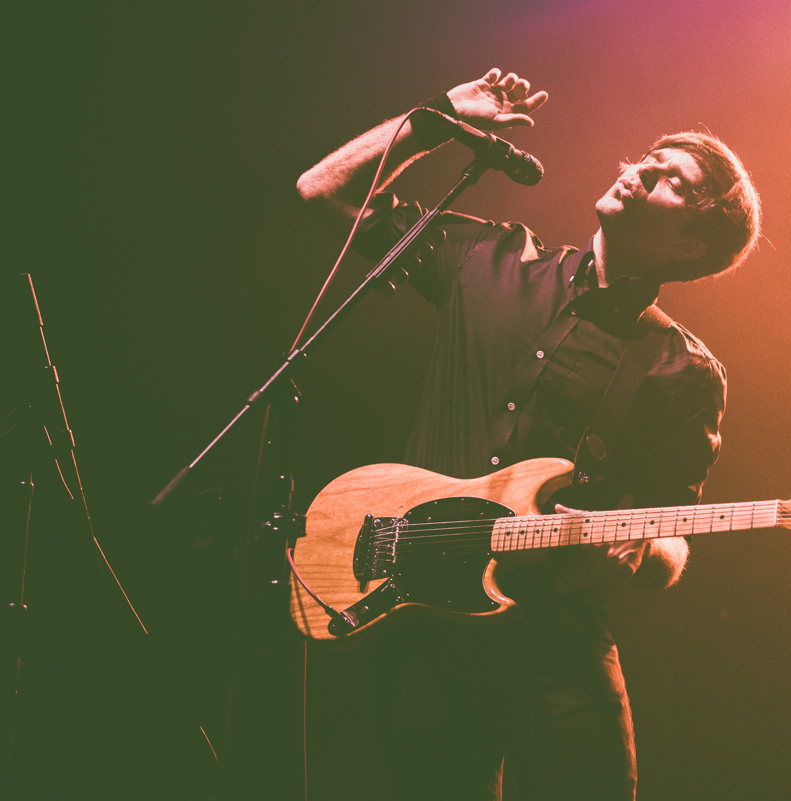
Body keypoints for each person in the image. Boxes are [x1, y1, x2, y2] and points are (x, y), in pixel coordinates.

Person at [297, 68, 760, 801]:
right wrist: (440, 118)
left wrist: (642, 551)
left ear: (689, 242)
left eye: (668, 178)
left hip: (558, 638)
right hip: (427, 629)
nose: (638, 170)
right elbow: (324, 191)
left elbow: (674, 533)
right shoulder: (490, 259)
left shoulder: (680, 371)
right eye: (647, 157)